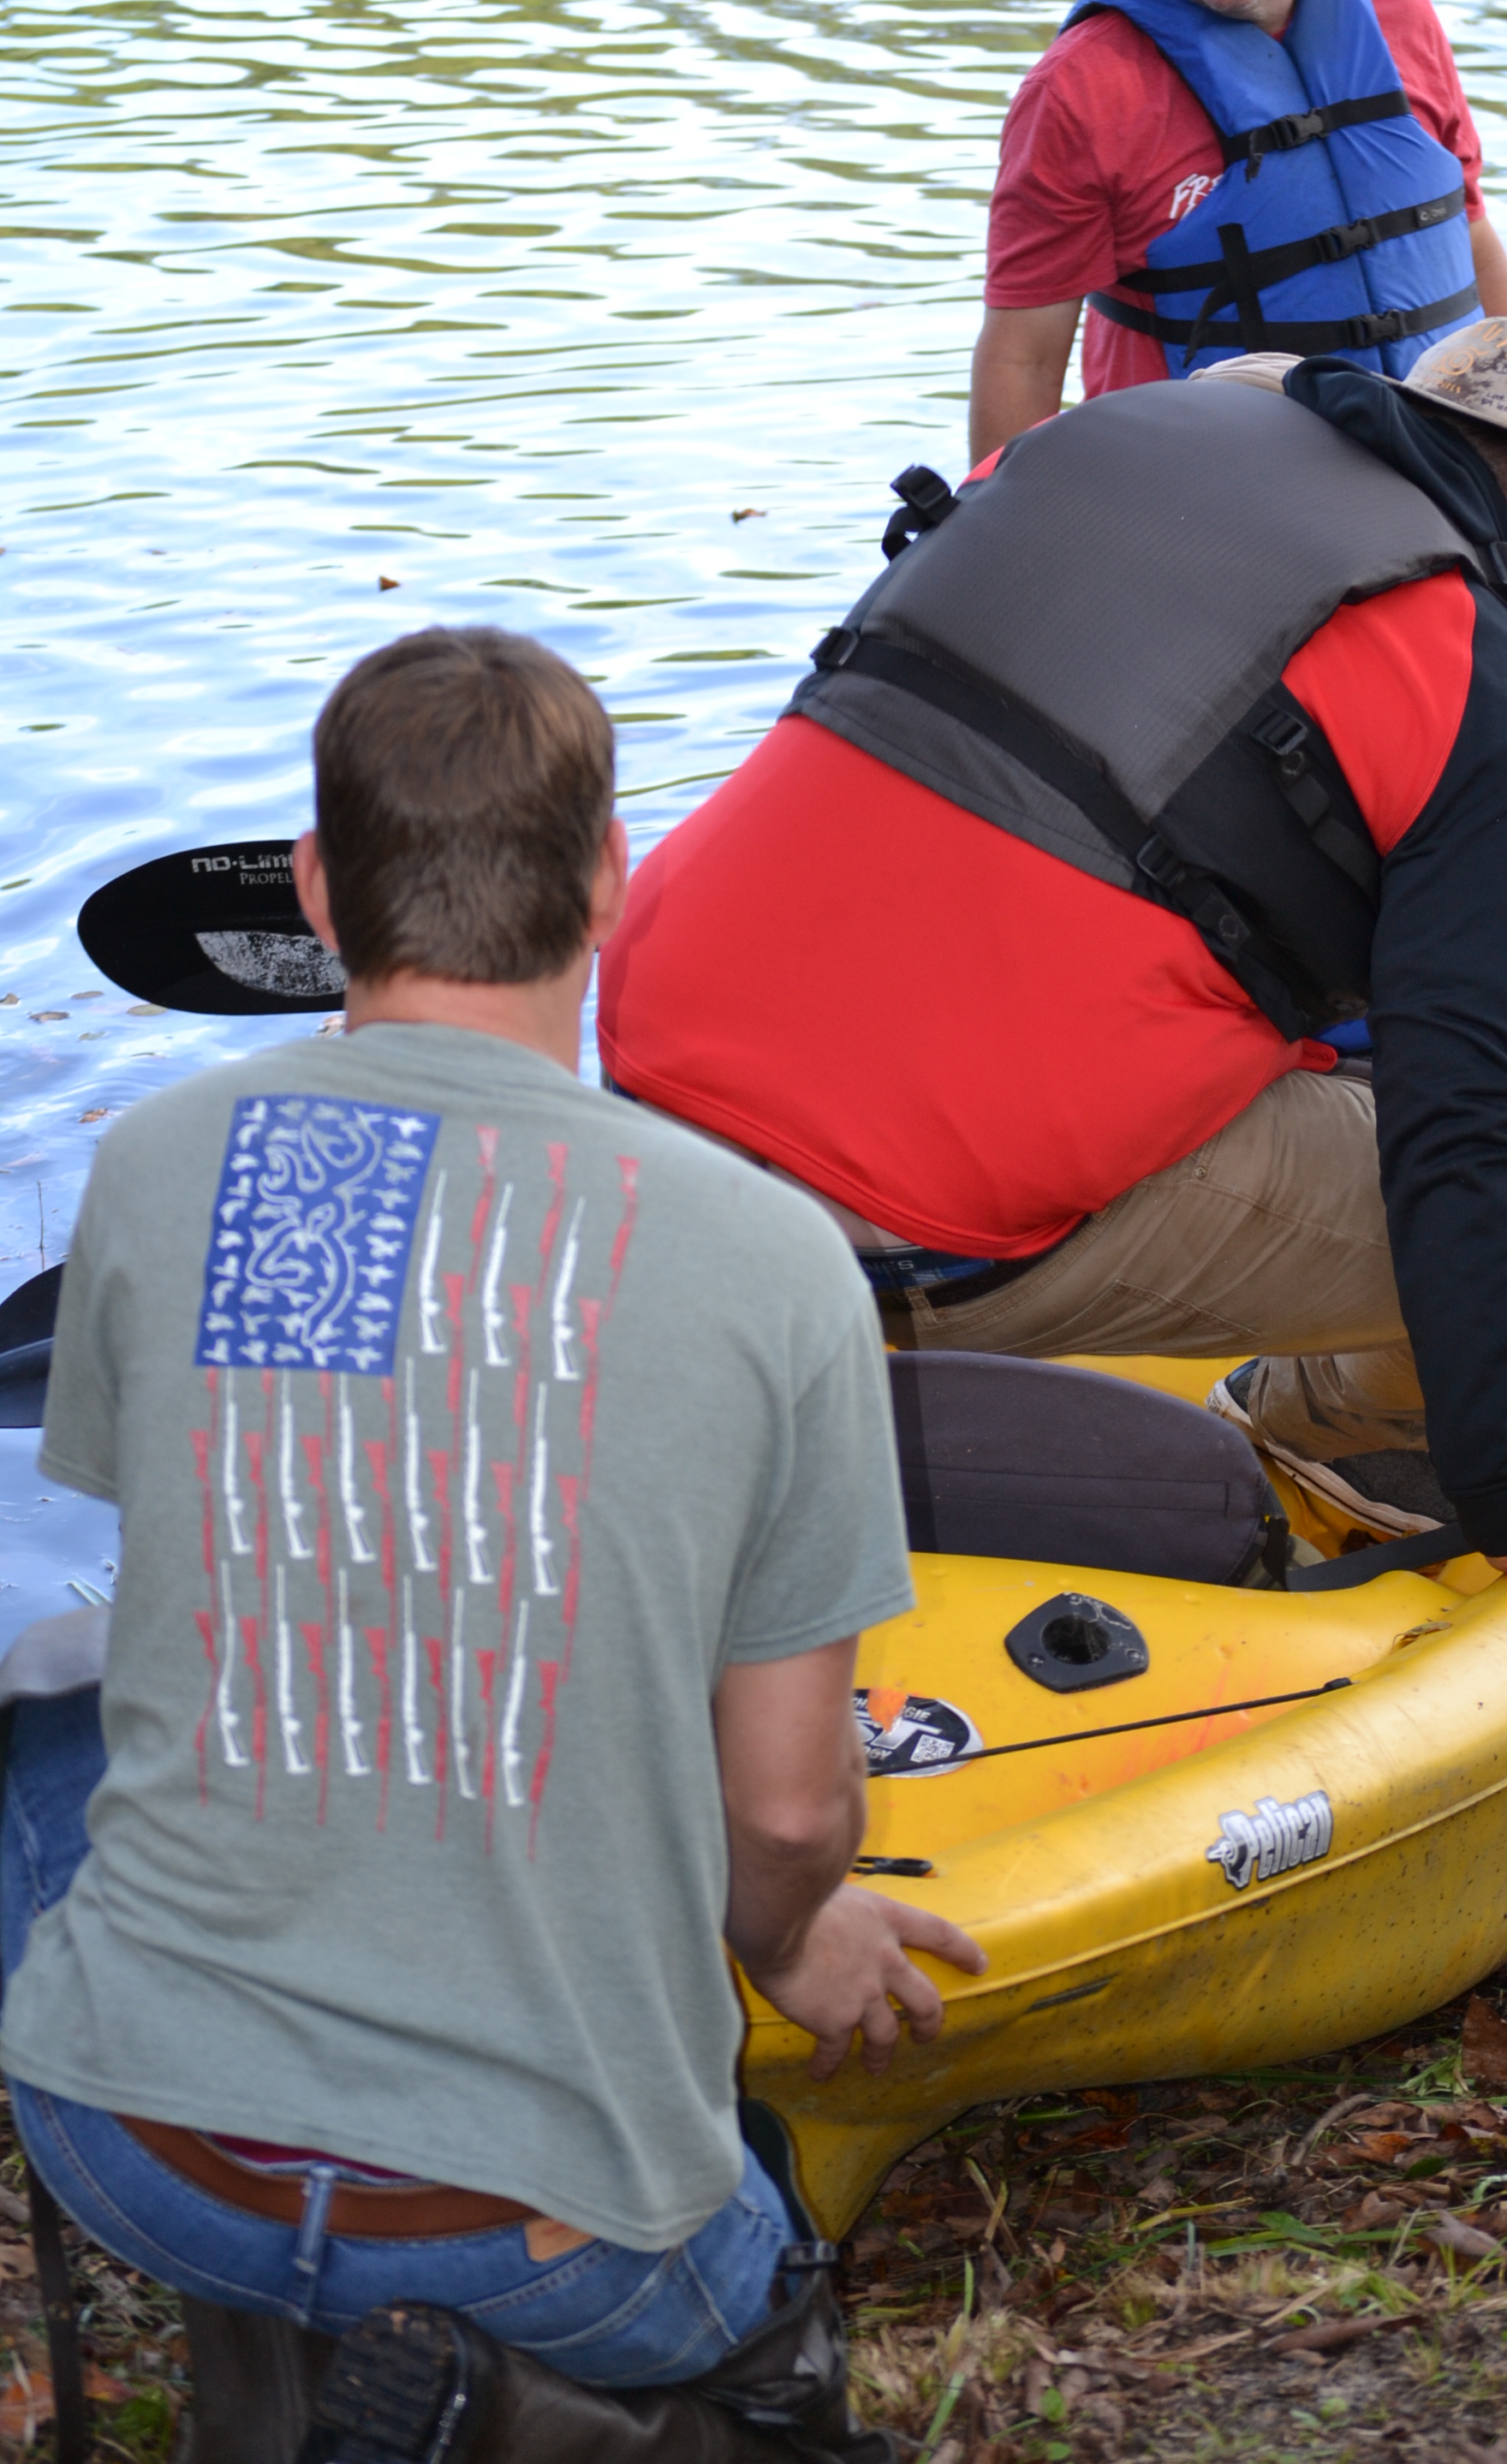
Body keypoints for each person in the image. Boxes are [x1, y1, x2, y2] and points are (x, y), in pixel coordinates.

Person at [0, 628, 983, 2412]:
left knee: (47, 1732)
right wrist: (795, 1933)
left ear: (315, 887)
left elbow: (266, 1555)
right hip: (551, 2243)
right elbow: (780, 1805)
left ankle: (316, 2358)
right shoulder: (771, 1259)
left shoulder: (163, 1165)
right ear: (610, 883)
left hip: (136, 2143)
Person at [603, 321, 1507, 1664]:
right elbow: (1472, 1145)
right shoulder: (1481, 673)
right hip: (895, 1221)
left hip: (639, 1094)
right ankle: (1325, 1431)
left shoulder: (1089, 447)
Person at [970, 0, 1507, 462]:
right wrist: (1008, 551)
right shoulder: (1078, 92)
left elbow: (1469, 237)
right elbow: (1024, 359)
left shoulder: (1400, 15)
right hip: (1213, 503)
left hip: (1436, 477)